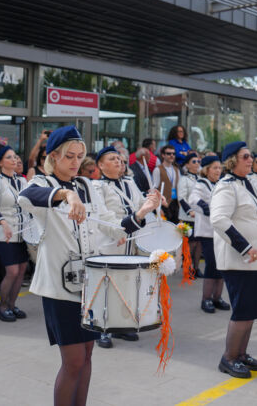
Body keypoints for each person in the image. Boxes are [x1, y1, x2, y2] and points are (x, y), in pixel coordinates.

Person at [18, 127, 153, 405]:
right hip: (59, 287)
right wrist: (66, 195)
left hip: (89, 284)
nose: (75, 162)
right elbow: (26, 197)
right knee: (74, 361)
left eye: (79, 156)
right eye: (69, 156)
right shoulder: (43, 182)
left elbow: (112, 227)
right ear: (53, 156)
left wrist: (142, 212)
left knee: (88, 355)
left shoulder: (86, 186)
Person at [210, 142, 257, 378]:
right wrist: (245, 246)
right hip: (238, 259)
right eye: (245, 157)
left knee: (250, 310)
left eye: (251, 156)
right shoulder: (226, 186)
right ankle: (228, 358)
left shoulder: (247, 183)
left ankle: (241, 354)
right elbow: (219, 219)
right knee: (242, 310)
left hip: (254, 259)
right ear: (232, 161)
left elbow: (255, 215)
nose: (251, 160)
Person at [92, 147, 162, 348]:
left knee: (124, 285)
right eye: (112, 159)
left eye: (120, 159)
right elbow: (102, 216)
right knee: (105, 286)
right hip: (109, 241)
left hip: (130, 240)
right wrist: (119, 230)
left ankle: (119, 326)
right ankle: (101, 329)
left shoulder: (129, 182)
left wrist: (153, 200)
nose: (118, 162)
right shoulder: (97, 186)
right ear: (100, 165)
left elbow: (140, 206)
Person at [0, 146, 32, 322]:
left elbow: (30, 203)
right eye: (9, 157)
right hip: (4, 231)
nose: (15, 160)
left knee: (22, 269)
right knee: (12, 271)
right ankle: (2, 307)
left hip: (22, 231)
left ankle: (12, 305)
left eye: (15, 157)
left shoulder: (22, 180)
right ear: (0, 162)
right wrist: (3, 223)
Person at [190, 155, 229, 314]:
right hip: (208, 232)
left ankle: (217, 297)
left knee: (222, 265)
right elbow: (193, 199)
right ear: (206, 170)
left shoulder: (221, 183)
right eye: (215, 168)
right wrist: (206, 208)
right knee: (212, 265)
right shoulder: (202, 184)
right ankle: (206, 298)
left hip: (221, 231)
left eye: (219, 168)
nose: (218, 171)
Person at [178, 152, 201, 275]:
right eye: (194, 162)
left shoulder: (201, 179)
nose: (197, 164)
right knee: (190, 243)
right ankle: (188, 268)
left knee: (199, 243)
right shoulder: (184, 179)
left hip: (200, 215)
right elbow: (181, 198)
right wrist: (189, 211)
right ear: (187, 165)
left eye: (198, 161)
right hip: (188, 216)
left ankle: (196, 268)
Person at [153, 144, 180, 222]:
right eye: (168, 153)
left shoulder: (176, 169)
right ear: (163, 155)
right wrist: (157, 208)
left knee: (177, 227)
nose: (172, 155)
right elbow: (154, 189)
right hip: (163, 204)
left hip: (175, 203)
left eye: (173, 154)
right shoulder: (157, 170)